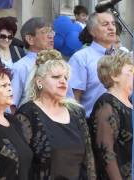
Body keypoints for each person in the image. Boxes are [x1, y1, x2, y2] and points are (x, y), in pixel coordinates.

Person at [15, 49, 96, 179]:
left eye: (65, 77)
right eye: (56, 77)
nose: (63, 81)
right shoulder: (27, 114)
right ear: (39, 81)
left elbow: (89, 160)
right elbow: (22, 164)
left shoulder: (76, 111)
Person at [88, 51, 133, 179]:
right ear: (114, 76)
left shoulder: (129, 103)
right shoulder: (107, 104)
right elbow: (106, 152)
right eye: (131, 70)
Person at [68, 11, 116, 118]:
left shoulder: (121, 56)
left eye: (113, 24)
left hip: (123, 124)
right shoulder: (81, 58)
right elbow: (74, 99)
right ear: (92, 31)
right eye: (105, 24)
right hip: (92, 124)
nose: (111, 28)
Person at [11, 17, 54, 111]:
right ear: (30, 39)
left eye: (51, 32)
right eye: (45, 32)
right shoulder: (20, 67)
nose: (51, 36)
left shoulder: (59, 64)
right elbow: (11, 105)